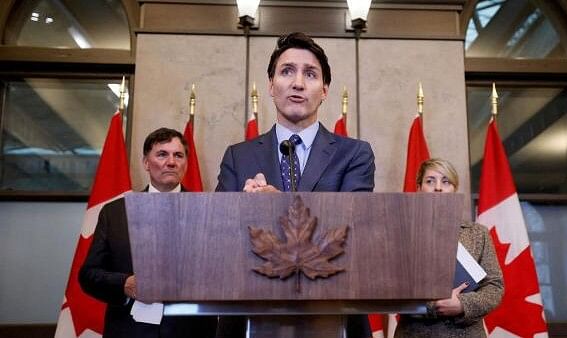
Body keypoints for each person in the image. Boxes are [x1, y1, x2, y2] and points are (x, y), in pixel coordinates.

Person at [215, 32, 375, 338]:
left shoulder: (354, 153)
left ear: (325, 90)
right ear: (271, 85)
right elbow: (219, 236)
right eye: (287, 71)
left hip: (333, 313)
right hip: (250, 313)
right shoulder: (238, 156)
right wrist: (242, 210)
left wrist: (278, 206)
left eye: (310, 74)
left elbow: (354, 230)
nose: (298, 83)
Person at [79, 128, 218, 338]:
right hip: (129, 329)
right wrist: (125, 284)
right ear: (146, 163)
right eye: (162, 154)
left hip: (191, 330)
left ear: (186, 163)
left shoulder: (209, 210)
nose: (171, 162)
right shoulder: (115, 212)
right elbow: (89, 275)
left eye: (178, 155)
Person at [395, 158, 504, 338]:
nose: (438, 187)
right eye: (430, 181)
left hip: (467, 333)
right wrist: (434, 305)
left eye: (446, 182)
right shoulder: (400, 233)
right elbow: (390, 287)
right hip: (414, 332)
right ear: (419, 188)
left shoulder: (477, 234)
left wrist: (462, 304)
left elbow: (494, 286)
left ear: (454, 189)